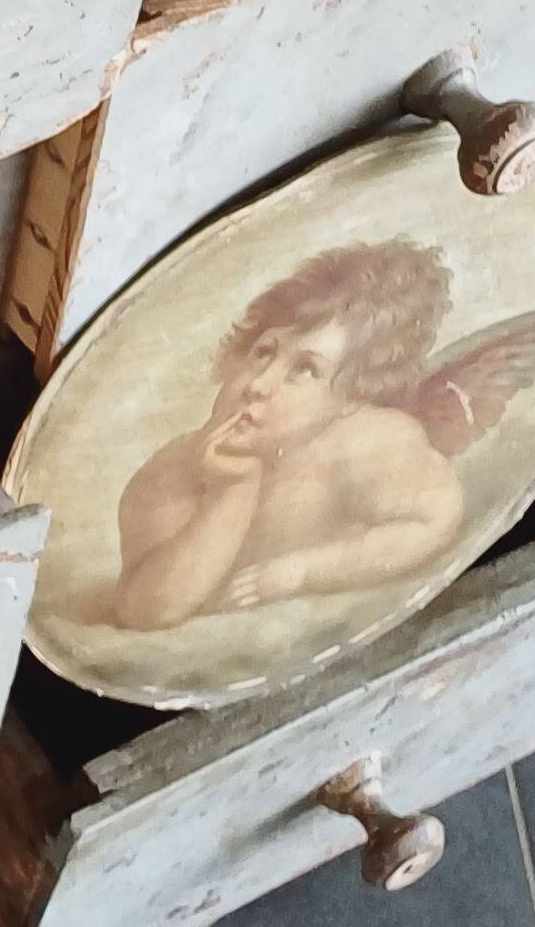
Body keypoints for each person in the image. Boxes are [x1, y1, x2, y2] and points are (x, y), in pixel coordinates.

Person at [104, 240, 467, 633]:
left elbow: (434, 521)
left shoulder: (370, 442)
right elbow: (146, 610)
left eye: (305, 370)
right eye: (263, 352)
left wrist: (302, 573)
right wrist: (230, 494)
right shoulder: (174, 469)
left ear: (351, 399)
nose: (259, 385)